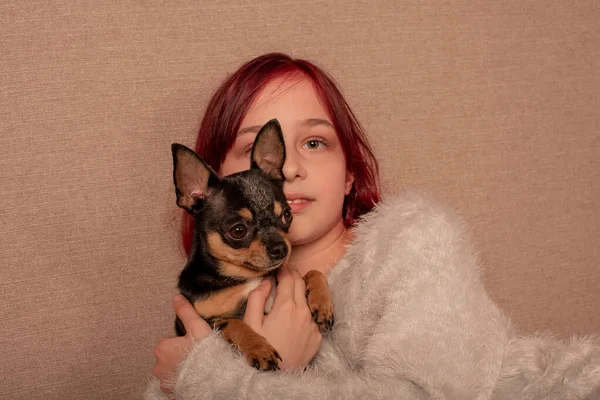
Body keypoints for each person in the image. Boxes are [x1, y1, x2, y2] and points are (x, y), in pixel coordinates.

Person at [146, 53, 600, 400]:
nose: (286, 170)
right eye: (257, 153)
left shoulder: (415, 240)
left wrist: (204, 374)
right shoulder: (209, 307)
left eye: (315, 141)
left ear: (350, 174)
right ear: (212, 185)